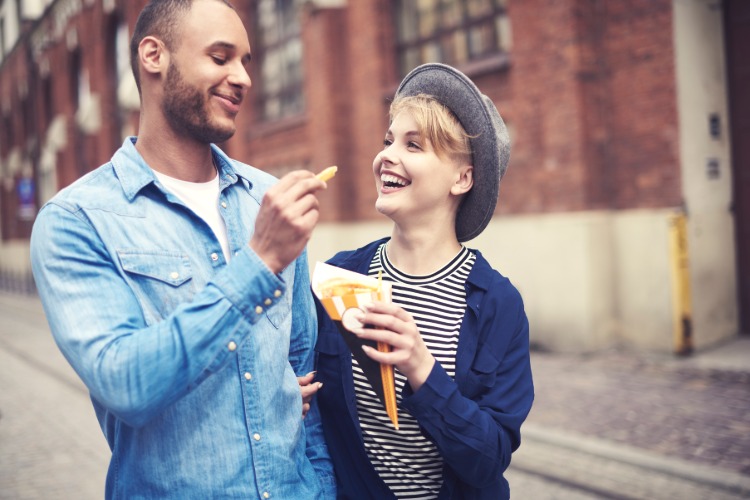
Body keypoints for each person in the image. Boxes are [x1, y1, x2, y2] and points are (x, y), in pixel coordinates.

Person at [29, 0, 335, 498]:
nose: (242, 78)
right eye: (220, 58)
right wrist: (258, 263)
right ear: (154, 55)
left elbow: (305, 370)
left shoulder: (267, 198)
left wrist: (322, 487)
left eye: (246, 62)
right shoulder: (76, 221)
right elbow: (126, 382)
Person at [313, 63, 534, 499]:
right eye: (388, 140)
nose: (387, 155)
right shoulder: (339, 278)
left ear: (462, 178)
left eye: (413, 145)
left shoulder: (497, 304)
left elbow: (488, 459)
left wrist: (420, 366)